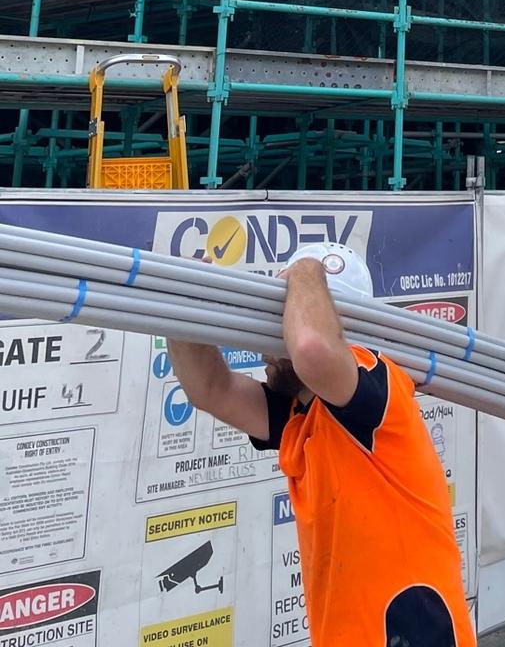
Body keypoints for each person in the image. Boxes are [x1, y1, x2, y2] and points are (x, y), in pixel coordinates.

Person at [167, 242, 475, 647]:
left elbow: (312, 349)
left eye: (279, 326)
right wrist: (178, 305)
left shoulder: (376, 385)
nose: (265, 349)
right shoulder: (301, 414)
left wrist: (306, 269)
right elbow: (210, 389)